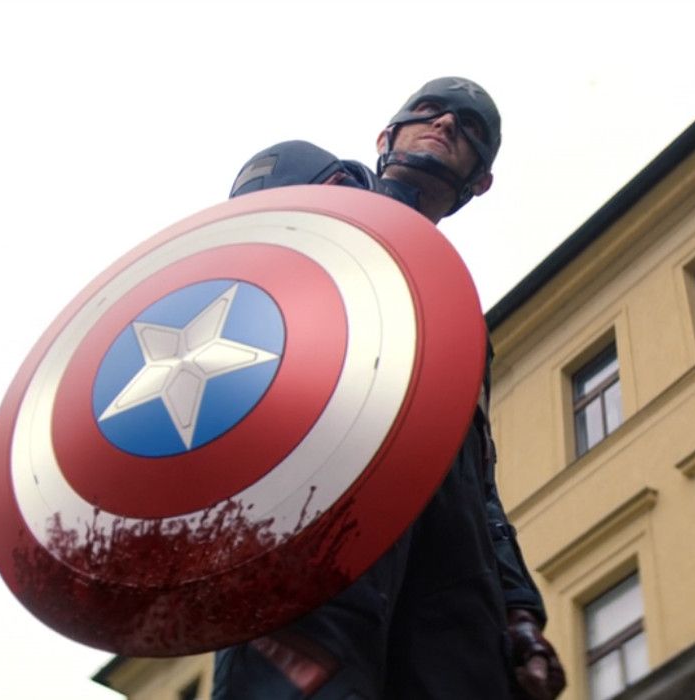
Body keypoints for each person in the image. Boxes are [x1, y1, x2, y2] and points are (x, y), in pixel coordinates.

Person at [214, 77, 566, 700]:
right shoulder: (312, 184)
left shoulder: (458, 319)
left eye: (471, 127)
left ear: (480, 181)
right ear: (386, 136)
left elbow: (478, 482)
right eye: (430, 112)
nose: (449, 124)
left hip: (450, 581)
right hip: (314, 512)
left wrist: (518, 611)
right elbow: (225, 289)